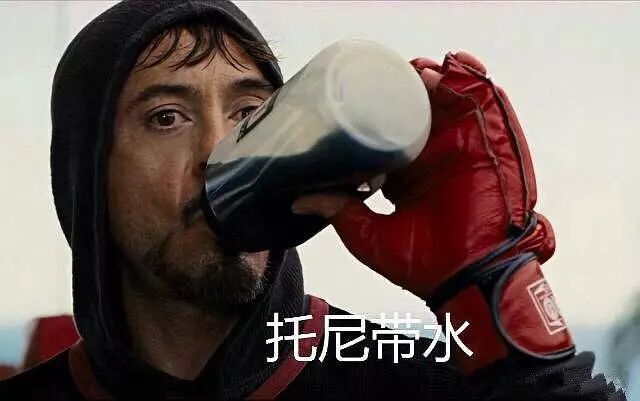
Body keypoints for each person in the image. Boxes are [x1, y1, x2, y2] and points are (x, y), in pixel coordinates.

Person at [0, 1, 627, 399]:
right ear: (85, 174)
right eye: (167, 117)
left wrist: (493, 286)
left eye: (250, 113)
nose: (219, 151)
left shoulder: (417, 383)